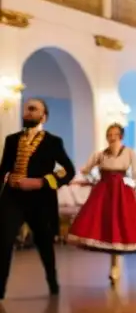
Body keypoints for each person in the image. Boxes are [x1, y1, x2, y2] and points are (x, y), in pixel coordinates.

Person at [0, 98, 75, 299]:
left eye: (33, 109)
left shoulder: (53, 142)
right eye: (26, 109)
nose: (28, 112)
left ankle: (53, 283)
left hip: (40, 201)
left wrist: (41, 182)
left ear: (44, 116)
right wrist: (6, 182)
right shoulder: (11, 140)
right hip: (12, 198)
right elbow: (3, 170)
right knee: (4, 242)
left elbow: (69, 171)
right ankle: (0, 290)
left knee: (44, 243)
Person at [67, 123, 136, 282]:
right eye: (109, 134)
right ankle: (113, 265)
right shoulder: (100, 154)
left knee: (120, 224)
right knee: (104, 225)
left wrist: (135, 187)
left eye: (115, 134)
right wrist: (94, 180)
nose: (112, 137)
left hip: (122, 192)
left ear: (121, 136)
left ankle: (116, 266)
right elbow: (85, 170)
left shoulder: (129, 152)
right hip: (104, 191)